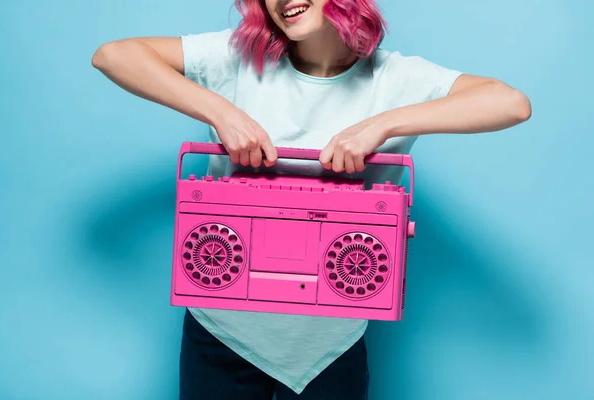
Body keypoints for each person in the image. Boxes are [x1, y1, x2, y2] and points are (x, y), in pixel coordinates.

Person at [91, 0, 531, 398]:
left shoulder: (397, 79)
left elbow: (510, 103)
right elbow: (113, 55)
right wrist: (220, 112)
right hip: (221, 325)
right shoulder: (235, 59)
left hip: (331, 339)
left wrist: (383, 125)